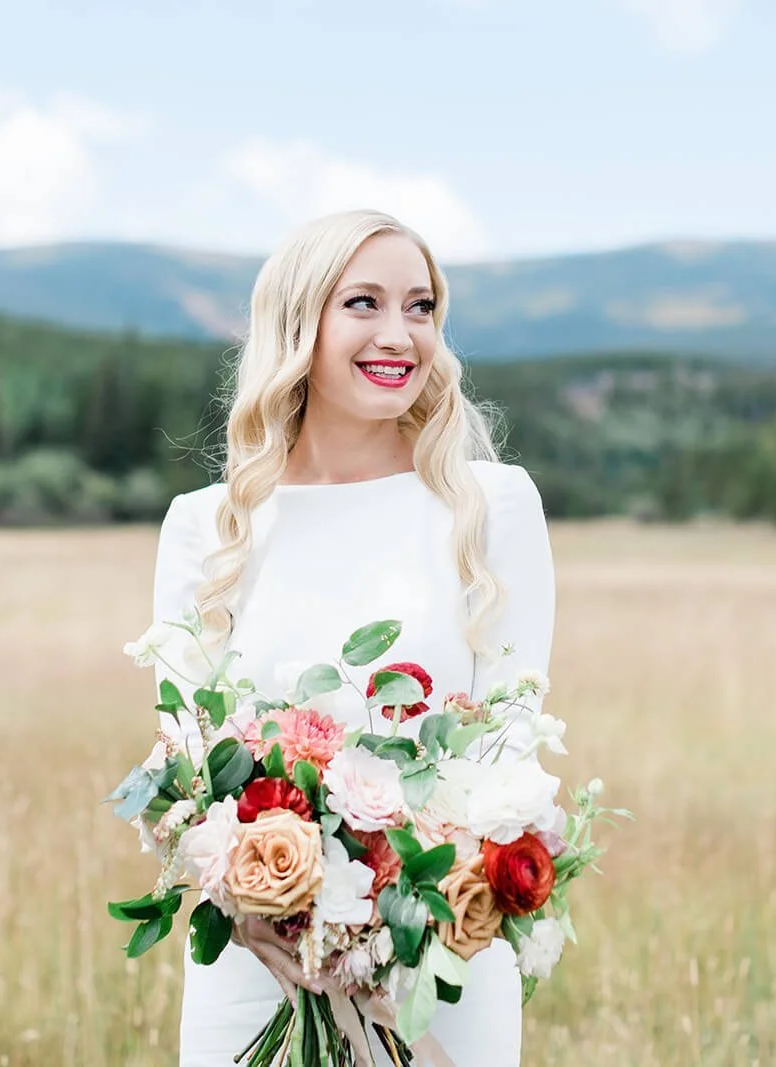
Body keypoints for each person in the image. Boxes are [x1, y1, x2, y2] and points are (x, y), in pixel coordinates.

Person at [149, 208, 556, 1066]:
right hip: (257, 959)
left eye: (422, 306)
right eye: (364, 302)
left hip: (438, 955)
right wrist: (275, 908)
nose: (400, 334)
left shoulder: (491, 508)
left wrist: (385, 931)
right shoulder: (207, 529)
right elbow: (184, 761)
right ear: (300, 323)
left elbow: (511, 740)